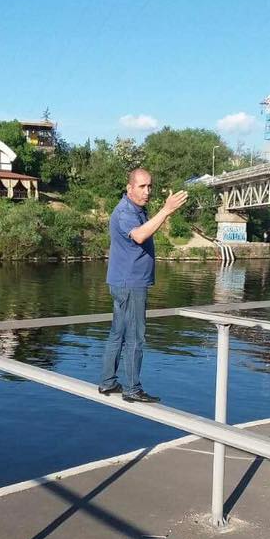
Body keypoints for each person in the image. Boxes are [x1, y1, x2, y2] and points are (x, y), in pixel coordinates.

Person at [99, 167, 188, 403]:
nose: (147, 191)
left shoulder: (137, 209)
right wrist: (166, 210)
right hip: (130, 284)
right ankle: (132, 388)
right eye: (142, 186)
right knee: (136, 336)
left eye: (150, 186)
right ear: (129, 188)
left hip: (124, 281)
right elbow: (139, 236)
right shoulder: (126, 212)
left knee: (118, 332)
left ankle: (108, 381)